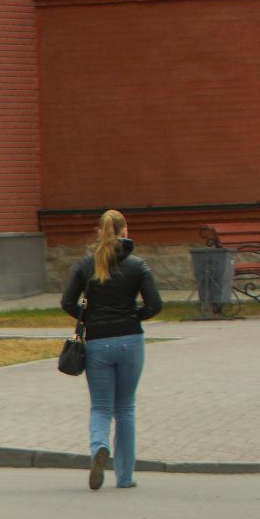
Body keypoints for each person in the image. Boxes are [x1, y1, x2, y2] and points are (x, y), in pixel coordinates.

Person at [60, 209, 162, 491]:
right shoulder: (138, 265)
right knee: (126, 408)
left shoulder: (85, 265)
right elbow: (155, 305)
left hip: (97, 342)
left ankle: (99, 447)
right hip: (131, 339)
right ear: (125, 231)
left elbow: (67, 302)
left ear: (100, 231)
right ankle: (126, 476)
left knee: (102, 407)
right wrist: (132, 317)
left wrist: (90, 318)